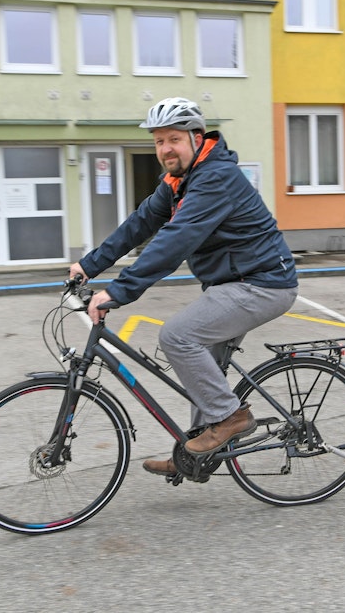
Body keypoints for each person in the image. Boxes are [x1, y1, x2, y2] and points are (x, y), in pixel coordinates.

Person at [68, 97, 299, 476]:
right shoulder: (179, 182)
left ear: (197, 138)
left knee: (178, 336)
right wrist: (89, 265)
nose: (165, 149)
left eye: (174, 139)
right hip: (231, 285)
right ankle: (194, 456)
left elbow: (176, 239)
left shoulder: (215, 178)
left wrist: (119, 291)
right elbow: (140, 223)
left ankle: (232, 419)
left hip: (262, 284)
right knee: (202, 366)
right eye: (159, 141)